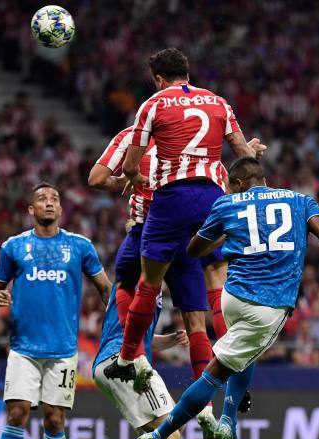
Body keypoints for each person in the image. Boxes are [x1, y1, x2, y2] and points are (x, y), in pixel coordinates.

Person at [137, 157, 319, 439]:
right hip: (269, 306)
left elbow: (193, 250)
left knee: (245, 353)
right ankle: (161, 434)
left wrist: (224, 233)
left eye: (233, 187)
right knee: (216, 372)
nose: (231, 193)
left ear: (242, 182)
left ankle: (229, 421)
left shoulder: (227, 206)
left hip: (232, 297)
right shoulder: (299, 201)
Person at [89, 124, 263, 439]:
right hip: (193, 234)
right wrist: (248, 155)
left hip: (150, 230)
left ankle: (133, 358)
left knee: (131, 286)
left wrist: (127, 180)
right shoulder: (197, 143)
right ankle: (212, 404)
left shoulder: (130, 136)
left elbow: (97, 179)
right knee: (200, 318)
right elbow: (223, 184)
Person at [105, 48, 261, 393]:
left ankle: (129, 357)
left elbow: (132, 165)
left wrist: (134, 177)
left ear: (159, 79)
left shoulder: (153, 104)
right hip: (212, 197)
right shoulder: (219, 103)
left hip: (172, 197)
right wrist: (252, 156)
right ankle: (232, 363)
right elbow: (244, 158)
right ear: (187, 73)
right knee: (217, 276)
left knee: (150, 279)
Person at [0, 182, 111, 439]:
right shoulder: (14, 247)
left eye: (55, 199)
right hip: (23, 348)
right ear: (31, 210)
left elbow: (106, 289)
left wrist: (119, 322)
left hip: (63, 351)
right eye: (42, 199)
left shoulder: (79, 246)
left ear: (61, 209)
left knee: (55, 421)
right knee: (17, 414)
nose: (49, 203)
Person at [93, 283, 188, 439]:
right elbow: (128, 330)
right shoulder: (138, 279)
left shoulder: (147, 284)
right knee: (171, 433)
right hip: (125, 361)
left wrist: (170, 340)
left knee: (172, 427)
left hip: (117, 359)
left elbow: (138, 333)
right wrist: (134, 361)